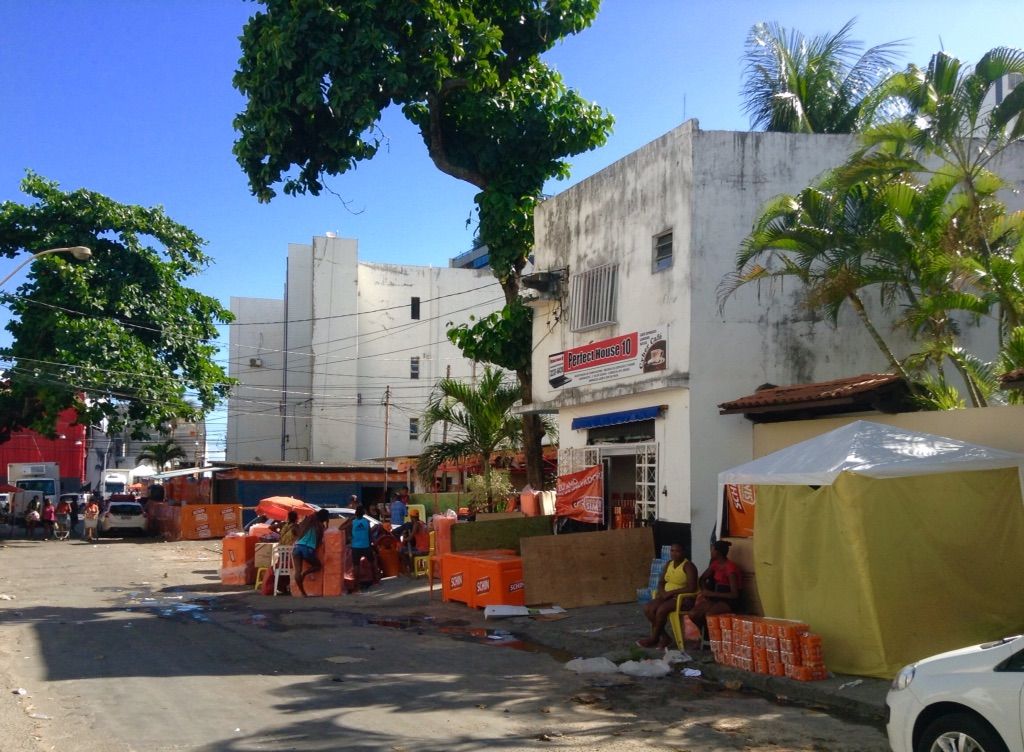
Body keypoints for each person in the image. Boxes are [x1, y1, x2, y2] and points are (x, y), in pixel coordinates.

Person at [637, 543, 699, 648]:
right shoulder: (669, 564)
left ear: (683, 553)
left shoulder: (688, 566)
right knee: (648, 608)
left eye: (677, 551)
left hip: (683, 598)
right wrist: (662, 592)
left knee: (661, 610)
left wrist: (672, 593)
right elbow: (661, 582)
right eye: (672, 551)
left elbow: (692, 588)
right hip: (667, 596)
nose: (674, 553)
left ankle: (654, 638)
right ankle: (665, 637)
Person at [688, 540, 742, 637]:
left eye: (712, 550)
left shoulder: (730, 568)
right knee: (693, 614)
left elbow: (734, 594)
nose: (711, 552)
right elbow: (702, 579)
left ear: (717, 552)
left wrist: (712, 594)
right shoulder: (715, 564)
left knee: (709, 615)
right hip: (716, 598)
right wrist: (704, 590)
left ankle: (713, 637)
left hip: (729, 601)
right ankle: (705, 635)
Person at [292, 508, 330, 597]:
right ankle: (305, 574)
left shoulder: (308, 521)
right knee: (318, 566)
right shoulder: (320, 526)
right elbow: (320, 540)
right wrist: (327, 523)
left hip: (297, 547)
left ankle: (303, 593)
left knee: (297, 571)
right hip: (308, 549)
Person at [349, 506, 375, 590]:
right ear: (363, 513)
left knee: (356, 566)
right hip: (366, 546)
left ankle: (357, 585)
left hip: (355, 547)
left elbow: (341, 528)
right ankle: (375, 580)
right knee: (372, 563)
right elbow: (370, 534)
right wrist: (372, 543)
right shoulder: (366, 522)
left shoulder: (353, 522)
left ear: (356, 513)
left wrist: (350, 519)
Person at [400, 509, 430, 574]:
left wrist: (404, 537)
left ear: (411, 517)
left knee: (402, 550)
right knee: (410, 549)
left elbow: (410, 538)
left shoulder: (416, 524)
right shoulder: (423, 523)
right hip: (427, 549)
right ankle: (413, 568)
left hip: (421, 550)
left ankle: (411, 569)